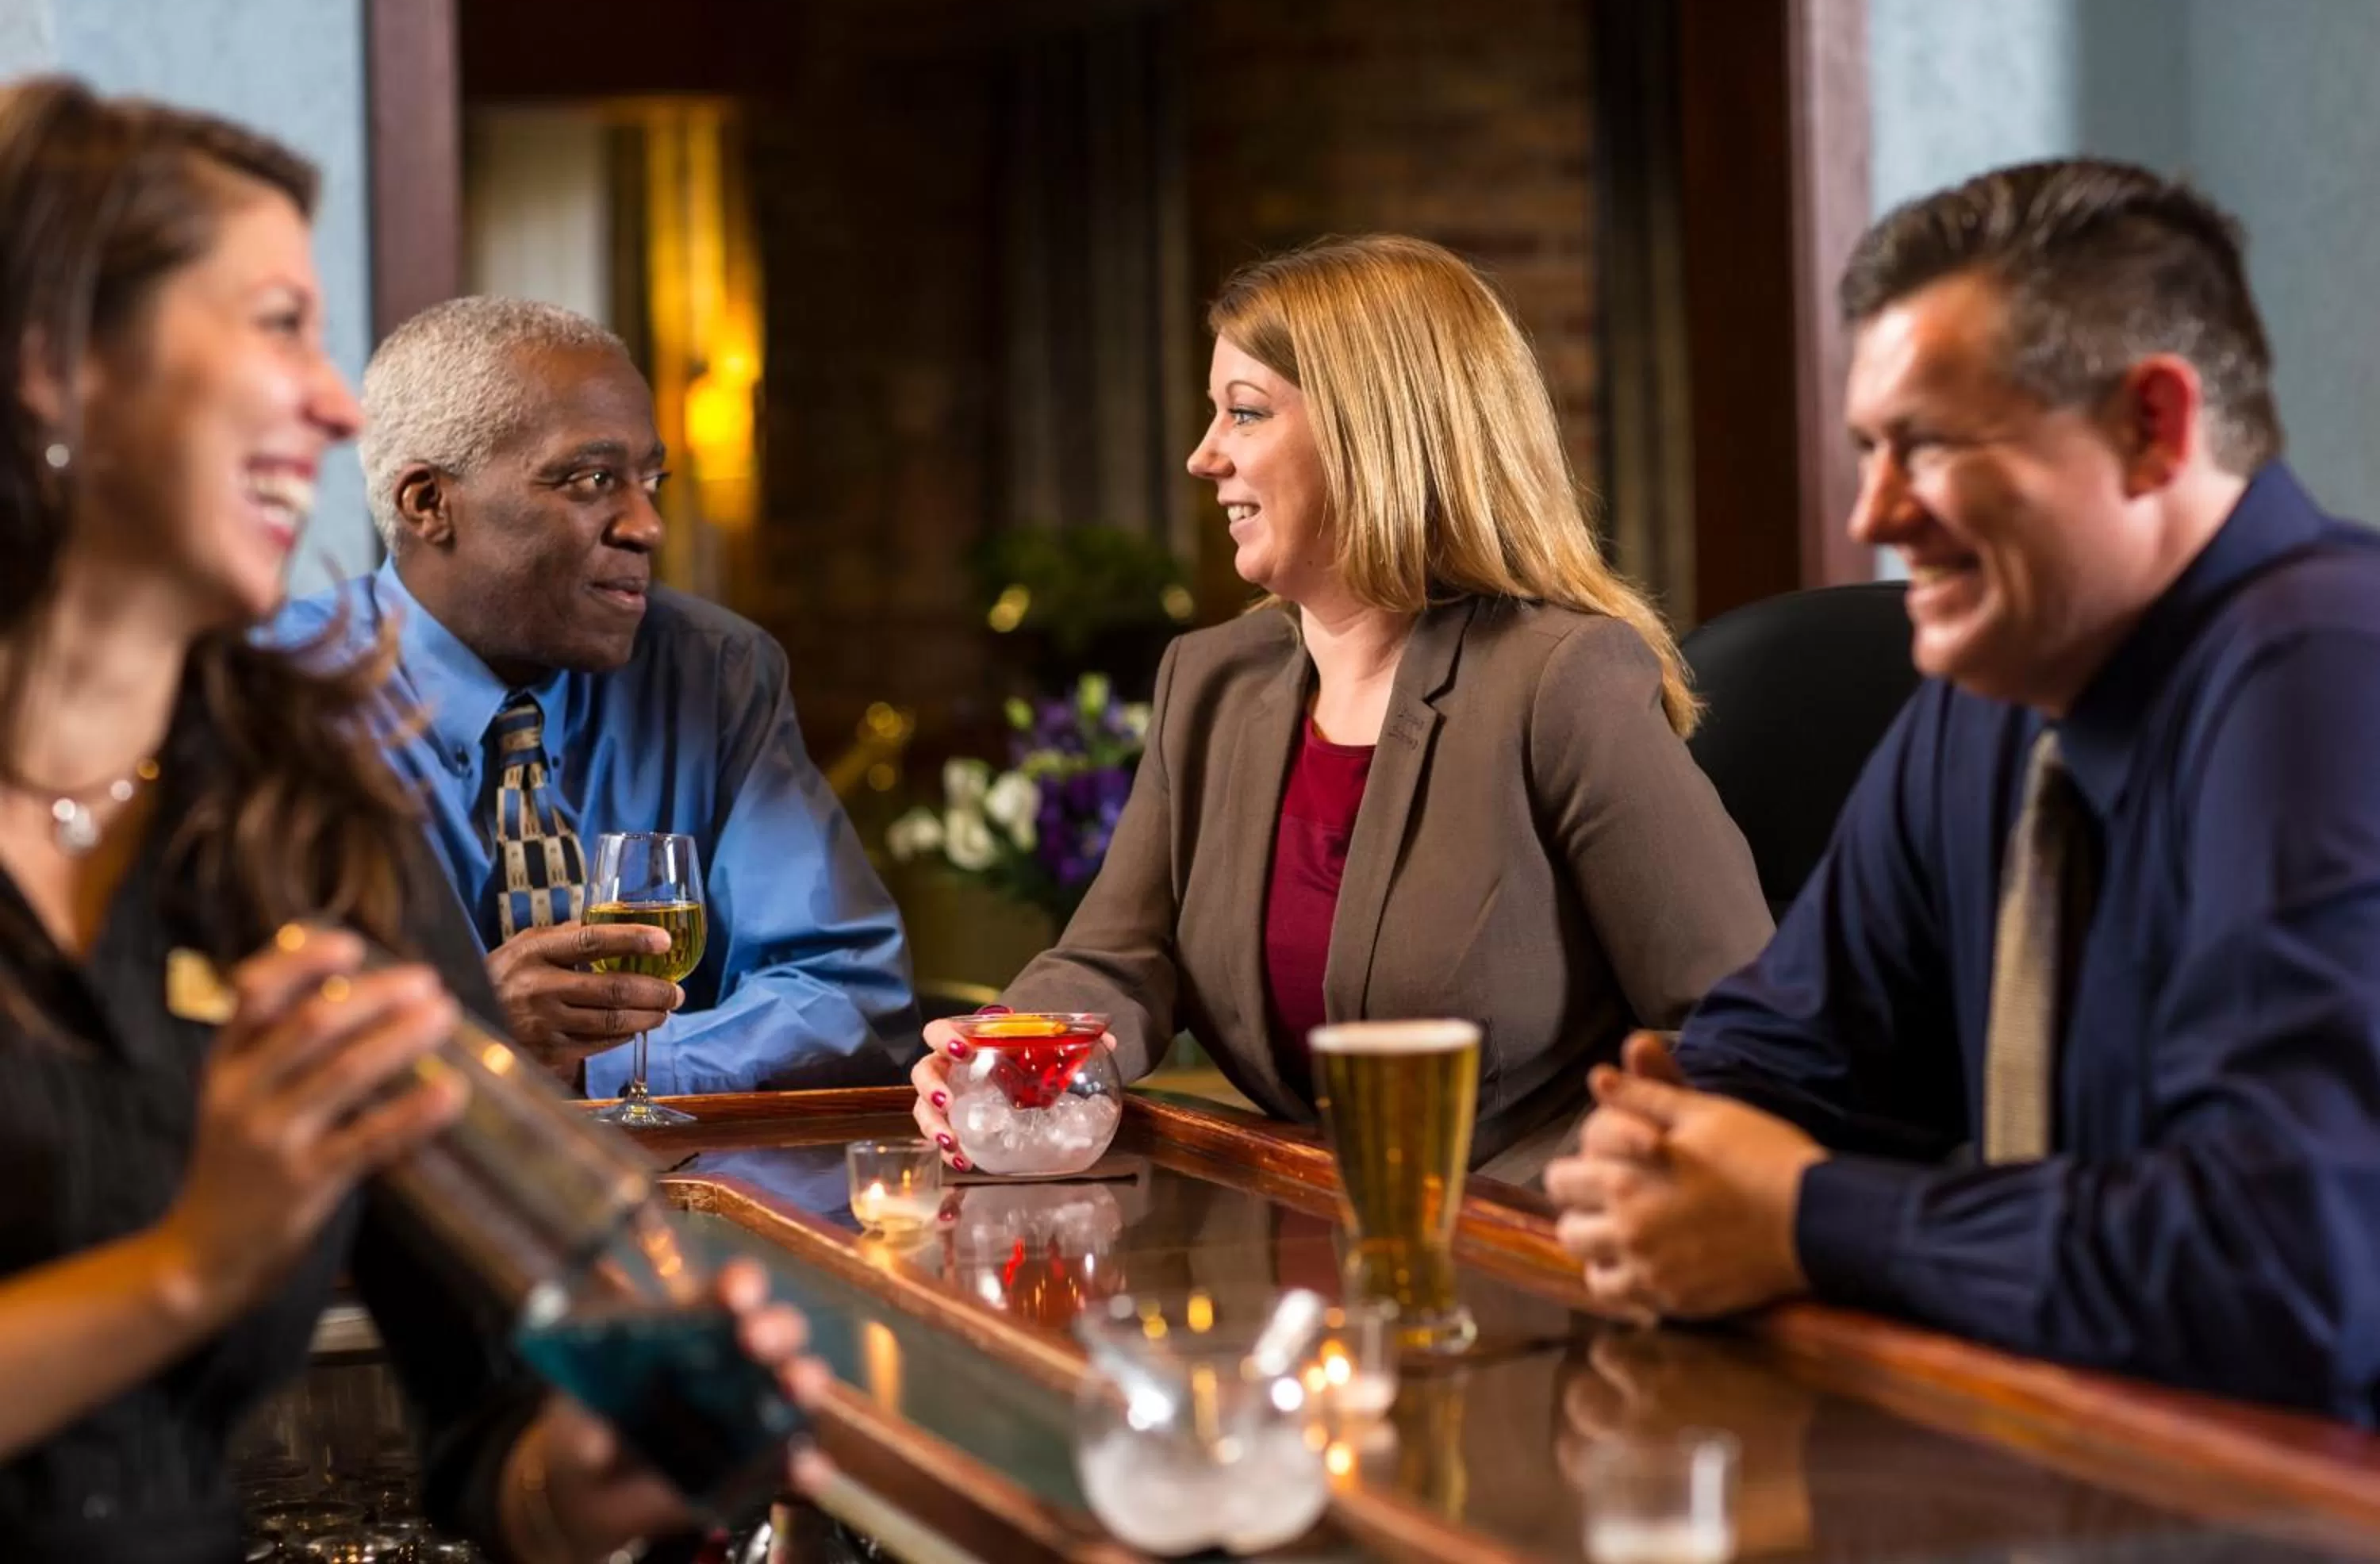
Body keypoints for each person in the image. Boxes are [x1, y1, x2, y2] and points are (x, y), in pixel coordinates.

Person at [0, 77, 829, 1560]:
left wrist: (587, 1475)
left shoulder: (299, 817)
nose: (334, 409)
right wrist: (195, 1264)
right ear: (52, 366)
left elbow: (486, 1418)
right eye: (272, 328)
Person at [1546, 158, 2380, 1423]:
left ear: (2150, 427)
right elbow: (1785, 1051)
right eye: (1869, 450)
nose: (1878, 512)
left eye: (1926, 447)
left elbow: (2287, 1272)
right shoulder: (1991, 687)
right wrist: (1671, 1145)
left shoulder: (2324, 665)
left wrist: (1810, 1217)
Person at [911, 235, 1774, 1178]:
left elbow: (1738, 1030)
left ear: (1376, 432)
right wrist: (1004, 1051)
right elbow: (1119, 962)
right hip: (1291, 1241)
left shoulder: (1562, 679)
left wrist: (1601, 1183)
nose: (1204, 458)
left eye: (1244, 414)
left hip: (1528, 1248)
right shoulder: (1207, 680)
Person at [276, 297, 919, 1097]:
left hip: (689, 1200)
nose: (647, 526)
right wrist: (463, 1028)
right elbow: (231, 1036)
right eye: (591, 480)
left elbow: (849, 992)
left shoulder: (717, 673)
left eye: (651, 481)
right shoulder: (274, 697)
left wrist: (594, 1069)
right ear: (428, 503)